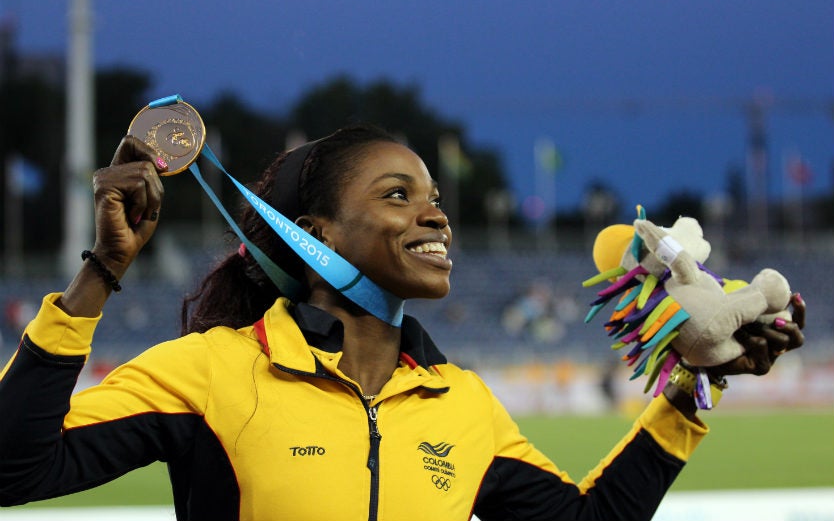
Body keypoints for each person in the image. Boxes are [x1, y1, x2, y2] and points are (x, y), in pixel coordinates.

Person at [0, 124, 805, 520]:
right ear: (315, 237)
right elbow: (14, 470)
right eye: (398, 195)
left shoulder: (462, 403)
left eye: (436, 198)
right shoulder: (207, 371)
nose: (437, 216)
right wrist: (99, 277)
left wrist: (696, 382)